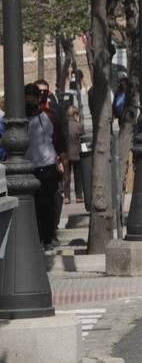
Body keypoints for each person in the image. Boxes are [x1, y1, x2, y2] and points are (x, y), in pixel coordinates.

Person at [24, 83, 66, 250]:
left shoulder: (48, 116)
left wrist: (61, 162)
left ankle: (48, 238)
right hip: (28, 169)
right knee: (33, 206)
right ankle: (38, 238)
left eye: (31, 98)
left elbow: (59, 141)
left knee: (46, 205)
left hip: (47, 167)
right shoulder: (19, 119)